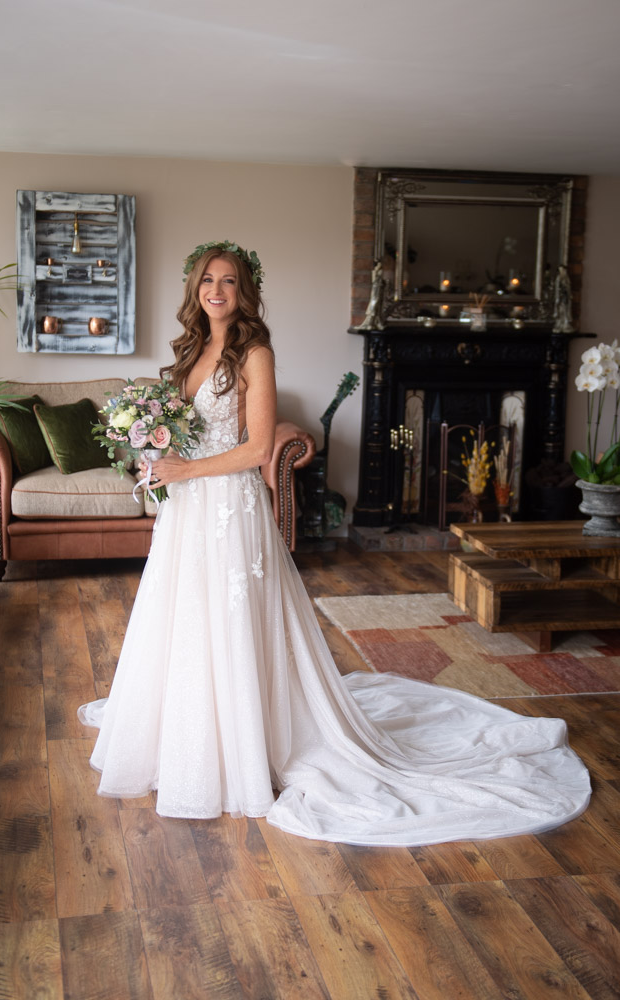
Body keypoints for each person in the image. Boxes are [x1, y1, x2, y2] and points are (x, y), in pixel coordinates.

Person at [78, 241, 590, 846]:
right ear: (195, 289)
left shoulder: (255, 352)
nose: (217, 290)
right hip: (188, 511)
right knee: (186, 618)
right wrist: (158, 451)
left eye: (230, 281)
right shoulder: (192, 351)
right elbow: (186, 435)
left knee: (235, 622)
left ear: (245, 291)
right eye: (208, 280)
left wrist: (185, 472)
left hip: (229, 507)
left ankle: (247, 747)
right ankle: (190, 736)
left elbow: (258, 447)